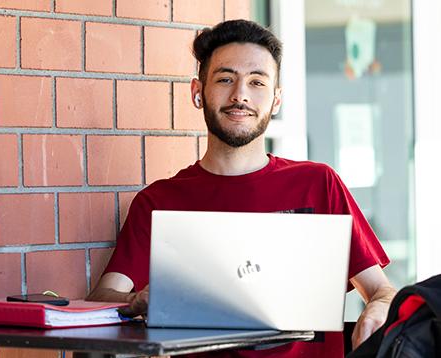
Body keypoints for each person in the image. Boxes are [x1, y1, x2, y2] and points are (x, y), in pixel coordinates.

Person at [87, 19, 396, 357]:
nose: (240, 95)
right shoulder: (159, 201)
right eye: (225, 79)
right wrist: (137, 300)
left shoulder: (318, 185)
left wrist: (379, 311)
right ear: (197, 92)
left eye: (257, 82)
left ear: (276, 99)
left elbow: (381, 291)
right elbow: (102, 296)